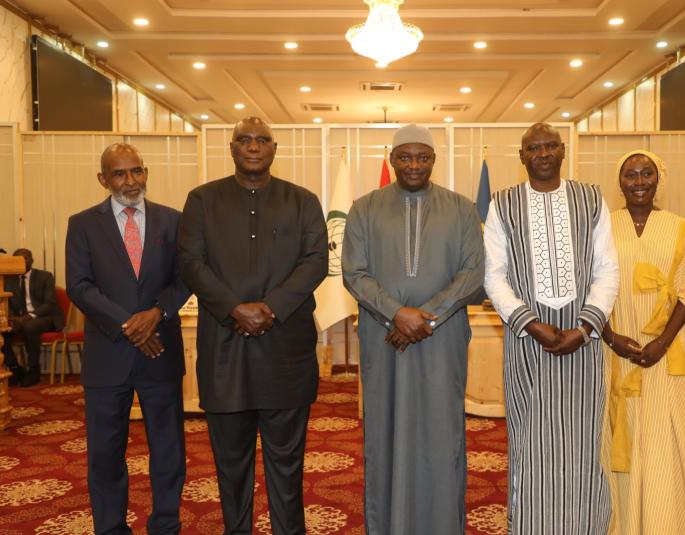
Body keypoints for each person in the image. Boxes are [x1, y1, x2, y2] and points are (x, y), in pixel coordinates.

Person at [177, 117, 328, 535]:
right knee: (231, 465)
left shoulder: (302, 201)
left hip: (286, 353)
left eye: (262, 140)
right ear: (232, 148)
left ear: (274, 149)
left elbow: (316, 261)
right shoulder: (202, 200)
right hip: (226, 352)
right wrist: (234, 309)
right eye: (245, 140)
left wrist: (271, 308)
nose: (254, 146)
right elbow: (190, 262)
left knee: (287, 464)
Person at [341, 124, 485, 535]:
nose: (414, 165)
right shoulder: (364, 208)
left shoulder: (461, 209)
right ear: (392, 160)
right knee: (383, 431)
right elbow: (354, 272)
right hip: (384, 338)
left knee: (442, 432)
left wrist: (425, 317)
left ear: (434, 160)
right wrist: (395, 314)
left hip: (442, 338)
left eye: (423, 157)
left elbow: (473, 273)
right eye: (405, 157)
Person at [483, 122, 619, 534]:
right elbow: (493, 275)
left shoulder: (590, 199)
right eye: (533, 148)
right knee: (530, 439)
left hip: (583, 342)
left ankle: (584, 525)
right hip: (528, 343)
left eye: (550, 146)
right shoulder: (502, 204)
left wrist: (586, 326)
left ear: (563, 151)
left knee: (583, 440)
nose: (542, 153)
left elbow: (608, 269)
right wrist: (529, 323)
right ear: (521, 156)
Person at [66, 143, 190, 535]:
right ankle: (111, 527)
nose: (130, 180)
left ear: (146, 172)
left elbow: (185, 277)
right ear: (103, 179)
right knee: (105, 454)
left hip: (160, 350)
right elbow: (80, 286)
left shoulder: (173, 220)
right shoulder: (82, 224)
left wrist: (156, 314)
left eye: (136, 170)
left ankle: (165, 524)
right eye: (119, 173)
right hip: (108, 356)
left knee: (169, 449)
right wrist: (129, 325)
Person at [602, 150, 685, 534]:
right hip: (616, 352)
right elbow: (588, 287)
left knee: (664, 442)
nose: (639, 181)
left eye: (646, 173)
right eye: (630, 174)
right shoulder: (603, 226)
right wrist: (610, 337)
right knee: (620, 439)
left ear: (658, 179)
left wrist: (662, 342)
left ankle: (663, 522)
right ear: (620, 182)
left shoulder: (681, 227)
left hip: (663, 353)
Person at [1, 248, 64, 386]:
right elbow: (6, 303)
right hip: (19, 319)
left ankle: (34, 370)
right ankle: (15, 368)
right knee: (2, 331)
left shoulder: (45, 276)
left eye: (25, 258)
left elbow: (49, 303)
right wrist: (11, 318)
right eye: (18, 259)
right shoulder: (9, 280)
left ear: (32, 260)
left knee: (30, 326)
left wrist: (28, 317)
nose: (22, 262)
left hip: (44, 317)